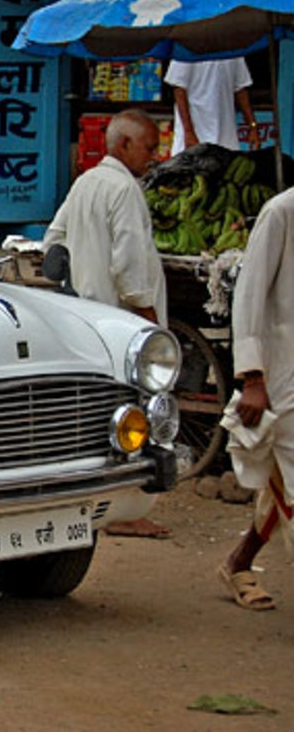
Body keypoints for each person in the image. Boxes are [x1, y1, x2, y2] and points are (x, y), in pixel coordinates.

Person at [44, 109, 171, 539]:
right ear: (124, 146)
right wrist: (149, 319)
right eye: (150, 147)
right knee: (132, 412)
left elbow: (53, 240)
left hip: (88, 319)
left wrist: (70, 279)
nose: (155, 156)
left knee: (103, 413)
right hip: (124, 323)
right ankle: (127, 510)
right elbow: (130, 263)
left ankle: (106, 504)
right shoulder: (123, 189)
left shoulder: (85, 184)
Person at [217, 186, 294, 611]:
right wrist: (253, 378)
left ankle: (239, 562)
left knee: (283, 482)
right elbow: (248, 297)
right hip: (284, 373)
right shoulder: (281, 211)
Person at [165, 57, 260, 157]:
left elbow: (241, 87)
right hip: (195, 138)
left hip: (226, 140)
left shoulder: (233, 48)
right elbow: (179, 89)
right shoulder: (188, 45)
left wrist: (252, 126)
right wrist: (189, 132)